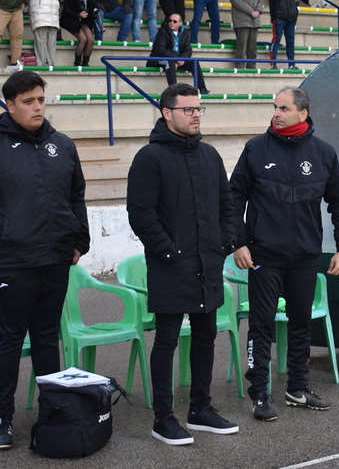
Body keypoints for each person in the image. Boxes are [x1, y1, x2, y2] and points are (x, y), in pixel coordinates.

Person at [0, 70, 89, 450]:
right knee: (9, 341)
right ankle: (2, 419)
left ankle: (53, 412)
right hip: (10, 262)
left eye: (41, 99)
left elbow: (76, 195)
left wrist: (80, 239)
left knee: (48, 339)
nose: (37, 107)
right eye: (28, 101)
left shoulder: (61, 145)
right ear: (9, 105)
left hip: (56, 259)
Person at [230, 87, 339, 421]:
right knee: (261, 325)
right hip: (264, 255)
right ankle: (259, 393)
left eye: (283, 108)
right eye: (274, 107)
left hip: (305, 256)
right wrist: (238, 242)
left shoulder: (323, 153)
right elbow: (233, 198)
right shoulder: (256, 149)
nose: (276, 113)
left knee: (300, 324)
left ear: (302, 113)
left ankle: (297, 388)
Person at [126, 83, 236, 445]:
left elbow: (227, 205)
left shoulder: (209, 155)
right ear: (167, 113)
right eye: (188, 109)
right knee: (167, 340)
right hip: (171, 265)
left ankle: (200, 409)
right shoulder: (150, 157)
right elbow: (141, 215)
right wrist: (169, 251)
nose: (195, 115)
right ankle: (163, 418)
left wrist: (224, 244)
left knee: (206, 337)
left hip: (208, 262)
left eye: (198, 109)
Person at [147, 14, 209, 92]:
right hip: (159, 59)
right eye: (170, 20)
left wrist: (182, 59)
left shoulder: (185, 32)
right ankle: (174, 91)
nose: (171, 23)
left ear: (180, 23)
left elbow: (188, 50)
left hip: (178, 59)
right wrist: (177, 59)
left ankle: (202, 89)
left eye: (174, 21)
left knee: (194, 63)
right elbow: (160, 50)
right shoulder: (162, 31)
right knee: (170, 62)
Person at [26, 0, 65, 66]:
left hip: (52, 13)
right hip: (39, 12)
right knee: (41, 39)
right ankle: (42, 63)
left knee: (52, 41)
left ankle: (51, 63)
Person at [61, 0, 98, 66]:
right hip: (71, 18)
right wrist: (78, 14)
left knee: (90, 39)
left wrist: (94, 9)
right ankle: (77, 62)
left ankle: (85, 63)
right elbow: (66, 8)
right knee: (83, 39)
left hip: (83, 19)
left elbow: (93, 3)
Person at [267, 0, 301, 69]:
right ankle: (273, 64)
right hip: (279, 16)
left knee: (290, 42)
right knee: (276, 41)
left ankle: (291, 65)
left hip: (291, 16)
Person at [229, 0, 261, 69]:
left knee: (253, 47)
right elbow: (236, 0)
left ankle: (252, 67)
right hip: (242, 20)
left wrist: (258, 11)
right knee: (241, 47)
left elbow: (260, 0)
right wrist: (251, 11)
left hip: (254, 20)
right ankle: (240, 67)